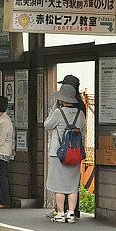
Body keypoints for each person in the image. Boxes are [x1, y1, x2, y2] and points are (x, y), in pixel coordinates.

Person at [44, 84, 86, 223]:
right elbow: (83, 131)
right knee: (72, 186)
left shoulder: (58, 112)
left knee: (59, 185)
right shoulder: (81, 114)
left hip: (59, 153)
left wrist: (53, 110)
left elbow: (47, 125)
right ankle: (71, 214)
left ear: (61, 99)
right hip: (75, 152)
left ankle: (61, 213)